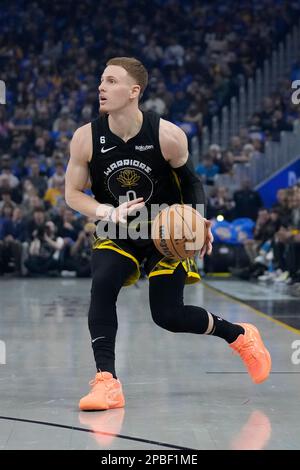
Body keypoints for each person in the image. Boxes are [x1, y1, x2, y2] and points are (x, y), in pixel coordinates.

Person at [65, 57, 271, 411]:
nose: (101, 87)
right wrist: (106, 212)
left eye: (111, 81)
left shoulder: (167, 135)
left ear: (134, 91)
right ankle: (106, 382)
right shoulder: (86, 137)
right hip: (117, 225)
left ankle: (239, 335)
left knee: (168, 316)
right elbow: (73, 193)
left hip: (166, 229)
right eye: (101, 80)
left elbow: (191, 181)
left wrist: (199, 219)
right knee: (102, 285)